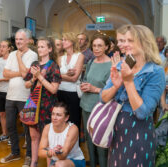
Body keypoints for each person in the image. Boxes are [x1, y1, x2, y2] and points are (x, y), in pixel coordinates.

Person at [101, 24, 165, 167]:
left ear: (144, 42)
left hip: (138, 134)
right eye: (124, 40)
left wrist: (128, 82)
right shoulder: (121, 65)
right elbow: (103, 98)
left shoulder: (155, 72)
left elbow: (142, 112)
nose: (124, 44)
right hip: (116, 132)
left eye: (130, 41)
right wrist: (116, 86)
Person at [0, 29, 38, 167]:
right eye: (16, 39)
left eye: (21, 39)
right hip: (11, 96)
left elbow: (26, 75)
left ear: (28, 40)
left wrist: (18, 58)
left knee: (27, 128)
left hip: (25, 97)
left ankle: (29, 156)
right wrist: (19, 72)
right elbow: (5, 73)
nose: (18, 42)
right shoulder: (11, 54)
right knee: (10, 125)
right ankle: (15, 152)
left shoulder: (32, 54)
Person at [24, 37, 61, 167]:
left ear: (50, 49)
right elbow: (27, 85)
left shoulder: (53, 66)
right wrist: (34, 79)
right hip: (34, 105)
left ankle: (50, 164)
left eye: (43, 47)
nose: (40, 49)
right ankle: (34, 163)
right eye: (38, 47)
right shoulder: (34, 64)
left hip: (48, 106)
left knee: (49, 139)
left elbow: (54, 89)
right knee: (34, 137)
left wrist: (40, 77)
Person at [80, 34, 112, 167]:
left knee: (100, 140)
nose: (96, 48)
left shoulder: (111, 65)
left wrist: (94, 89)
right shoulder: (91, 62)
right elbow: (86, 79)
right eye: (94, 46)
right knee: (89, 139)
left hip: (101, 107)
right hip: (86, 105)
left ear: (106, 47)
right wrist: (84, 85)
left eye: (100, 46)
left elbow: (113, 91)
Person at [38, 102, 85, 167]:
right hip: (55, 160)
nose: (54, 117)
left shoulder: (73, 129)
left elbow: (63, 156)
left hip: (75, 161)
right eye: (53, 114)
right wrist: (50, 152)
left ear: (66, 118)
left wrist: (56, 152)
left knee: (60, 165)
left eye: (58, 115)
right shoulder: (47, 127)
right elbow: (40, 152)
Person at [57, 32, 84, 129]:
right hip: (60, 91)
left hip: (73, 93)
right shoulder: (60, 58)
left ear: (72, 42)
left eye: (65, 40)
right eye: (62, 39)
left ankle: (74, 143)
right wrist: (65, 75)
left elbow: (74, 78)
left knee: (73, 120)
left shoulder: (79, 56)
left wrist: (60, 76)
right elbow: (55, 75)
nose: (62, 42)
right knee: (61, 120)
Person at [0, 40, 13, 143]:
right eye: (0, 46)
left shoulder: (12, 60)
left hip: (10, 91)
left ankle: (11, 136)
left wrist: (0, 80)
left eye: (4, 46)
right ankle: (4, 134)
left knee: (10, 114)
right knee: (1, 114)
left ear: (9, 48)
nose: (1, 48)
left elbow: (12, 76)